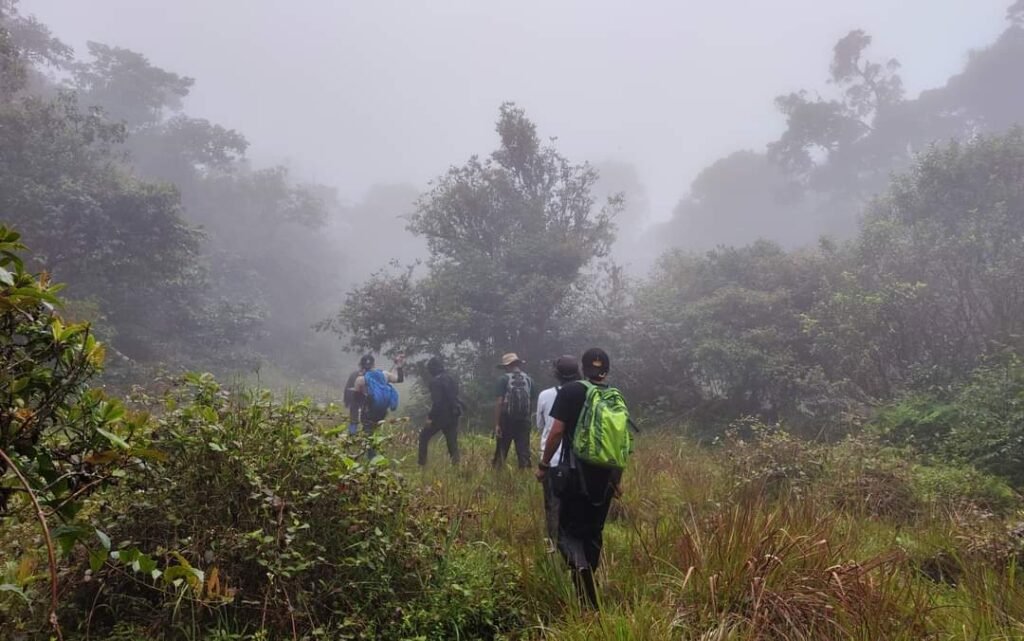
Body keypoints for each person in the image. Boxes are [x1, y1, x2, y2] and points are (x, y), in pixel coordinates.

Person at [536, 348, 623, 610]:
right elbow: (622, 446)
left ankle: (582, 576)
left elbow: (556, 433)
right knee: (593, 533)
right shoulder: (614, 397)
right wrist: (617, 481)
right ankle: (587, 590)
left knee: (566, 533)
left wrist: (543, 464)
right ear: (606, 370)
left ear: (584, 369)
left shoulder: (572, 391)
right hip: (605, 478)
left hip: (575, 475)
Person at [535, 355, 580, 550]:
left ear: (556, 374)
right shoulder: (587, 392)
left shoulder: (545, 395)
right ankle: (574, 547)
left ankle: (554, 546)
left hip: (553, 461)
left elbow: (542, 426)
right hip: (579, 461)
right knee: (575, 506)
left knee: (553, 505)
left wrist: (542, 465)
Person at [492, 352, 534, 469]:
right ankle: (525, 476)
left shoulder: (503, 379)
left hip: (506, 419)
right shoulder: (529, 379)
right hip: (524, 420)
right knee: (523, 451)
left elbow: (499, 402)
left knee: (501, 449)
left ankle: (497, 475)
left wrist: (496, 424)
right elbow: (532, 401)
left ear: (507, 366)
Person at [418, 356, 461, 466]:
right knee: (452, 443)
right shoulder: (450, 378)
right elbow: (455, 394)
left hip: (441, 416)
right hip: (453, 413)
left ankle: (422, 465)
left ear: (432, 369)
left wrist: (430, 418)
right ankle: (456, 467)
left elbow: (437, 403)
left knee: (423, 437)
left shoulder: (435, 382)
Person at [353, 353, 405, 437]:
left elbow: (357, 399)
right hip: (382, 411)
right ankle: (372, 446)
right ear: (374, 363)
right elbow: (400, 379)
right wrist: (399, 365)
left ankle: (369, 448)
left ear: (362, 366)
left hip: (368, 411)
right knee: (375, 431)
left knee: (367, 432)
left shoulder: (360, 380)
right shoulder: (385, 374)